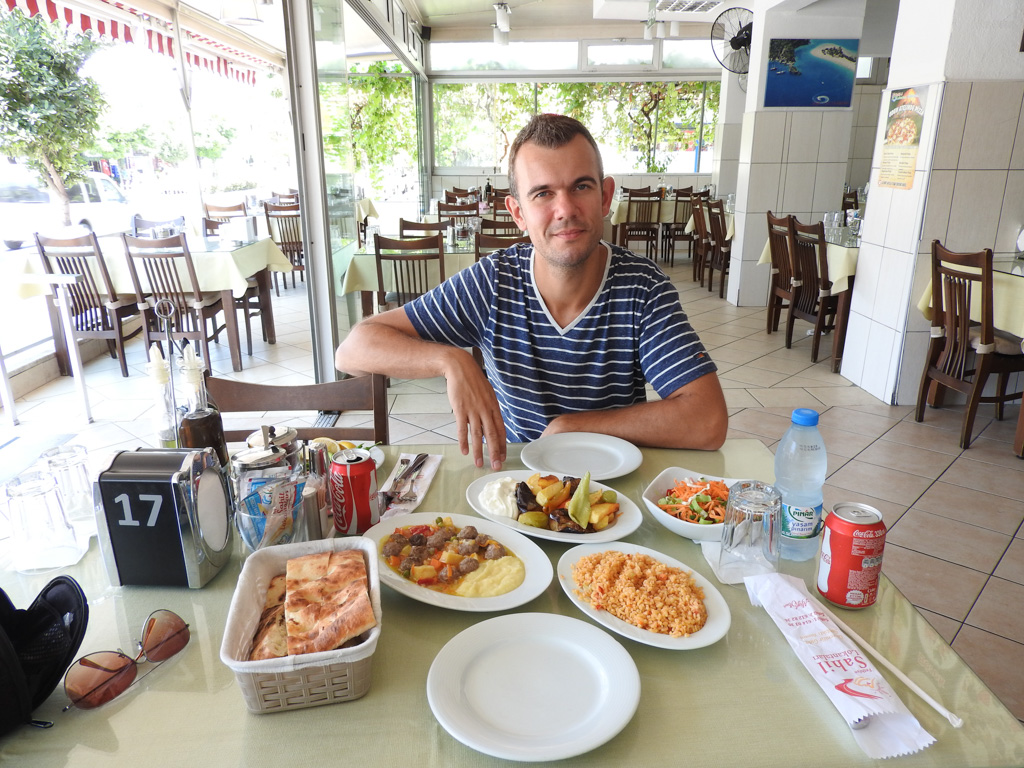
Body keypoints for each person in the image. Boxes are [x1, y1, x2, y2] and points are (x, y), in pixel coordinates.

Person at [335, 114, 727, 470]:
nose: (565, 209)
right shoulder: (493, 283)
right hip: (517, 486)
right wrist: (450, 361)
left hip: (614, 487)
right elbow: (352, 351)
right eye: (542, 193)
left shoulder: (642, 288)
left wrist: (573, 427)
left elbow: (707, 422)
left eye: (581, 186)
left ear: (605, 197)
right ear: (518, 212)